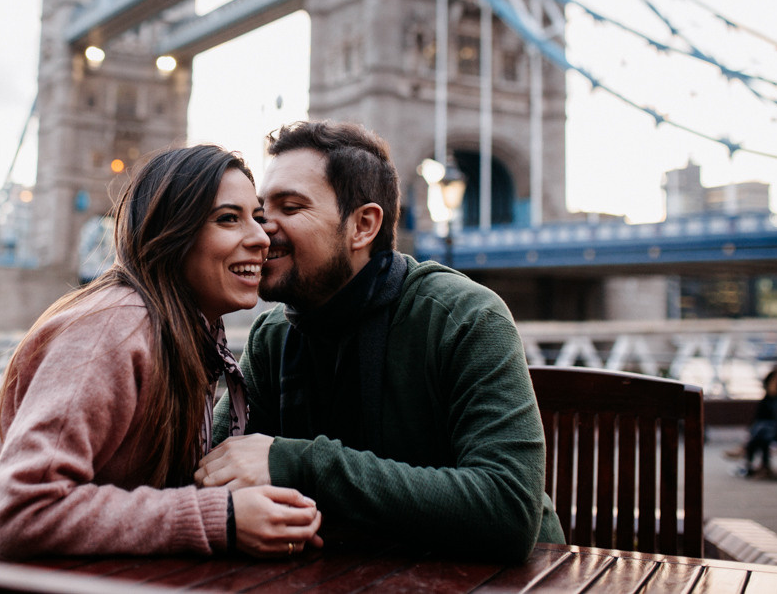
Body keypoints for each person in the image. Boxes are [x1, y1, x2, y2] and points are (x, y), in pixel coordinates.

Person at [195, 120, 564, 563]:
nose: (260, 231)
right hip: (347, 570)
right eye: (259, 212)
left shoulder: (463, 317)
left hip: (511, 580)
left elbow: (508, 510)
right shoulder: (272, 336)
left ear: (363, 225)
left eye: (289, 208)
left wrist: (299, 464)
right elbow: (210, 469)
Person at [0, 145, 323, 560]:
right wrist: (222, 518)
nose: (261, 238)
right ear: (171, 232)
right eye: (228, 218)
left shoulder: (187, 333)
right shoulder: (114, 329)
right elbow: (24, 513)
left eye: (257, 218)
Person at [725, 366, 777, 477]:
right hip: (770, 429)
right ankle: (751, 458)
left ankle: (746, 453)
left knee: (761, 431)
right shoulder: (772, 398)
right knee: (761, 430)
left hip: (776, 431)